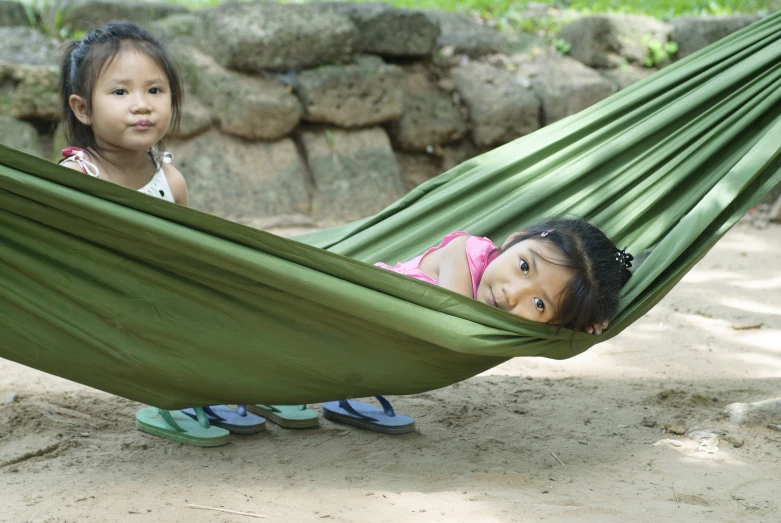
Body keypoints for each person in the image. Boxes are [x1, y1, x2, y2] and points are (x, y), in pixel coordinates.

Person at [57, 22, 265, 446]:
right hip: (109, 310)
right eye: (120, 92)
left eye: (155, 90)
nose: (141, 105)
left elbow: (188, 253)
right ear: (83, 109)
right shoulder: (77, 177)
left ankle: (255, 386)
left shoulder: (170, 180)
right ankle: (180, 397)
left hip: (169, 300)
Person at [376, 218, 633, 335]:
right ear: (513, 239)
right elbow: (454, 327)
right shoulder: (461, 252)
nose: (512, 293)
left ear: (554, 324)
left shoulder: (522, 325)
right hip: (367, 306)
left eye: (539, 303)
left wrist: (585, 322)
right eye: (523, 266)